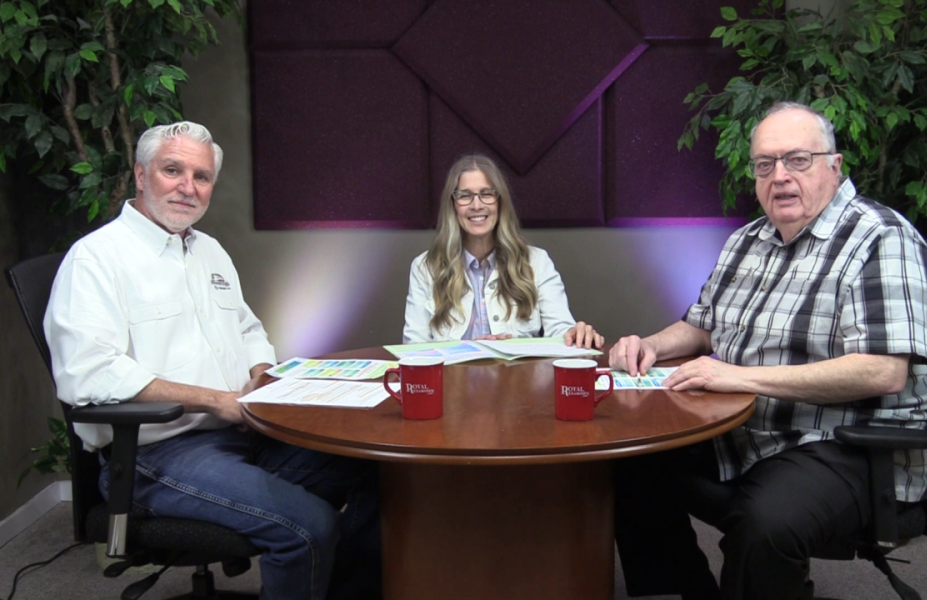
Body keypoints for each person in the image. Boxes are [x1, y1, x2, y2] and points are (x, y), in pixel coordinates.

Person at [608, 102, 927, 600]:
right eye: (765, 164)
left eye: (798, 160)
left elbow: (882, 372)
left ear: (835, 165)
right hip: (750, 426)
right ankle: (691, 591)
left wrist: (738, 377)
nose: (780, 176)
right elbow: (700, 326)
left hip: (845, 442)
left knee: (765, 524)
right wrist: (650, 345)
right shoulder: (748, 240)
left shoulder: (881, 237)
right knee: (630, 458)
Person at [44, 121, 380, 600]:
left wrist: (262, 373)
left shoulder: (210, 252)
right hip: (154, 455)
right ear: (141, 175)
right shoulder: (96, 259)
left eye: (201, 177)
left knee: (383, 474)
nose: (188, 187)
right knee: (307, 526)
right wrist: (214, 401)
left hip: (244, 433)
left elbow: (248, 331)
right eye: (172, 170)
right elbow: (90, 373)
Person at [403, 154, 603, 348]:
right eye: (465, 196)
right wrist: (470, 349)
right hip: (452, 381)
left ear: (500, 202)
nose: (476, 205)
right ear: (453, 205)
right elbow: (413, 348)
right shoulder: (425, 268)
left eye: (486, 194)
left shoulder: (537, 262)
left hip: (521, 380)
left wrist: (576, 335)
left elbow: (561, 333)